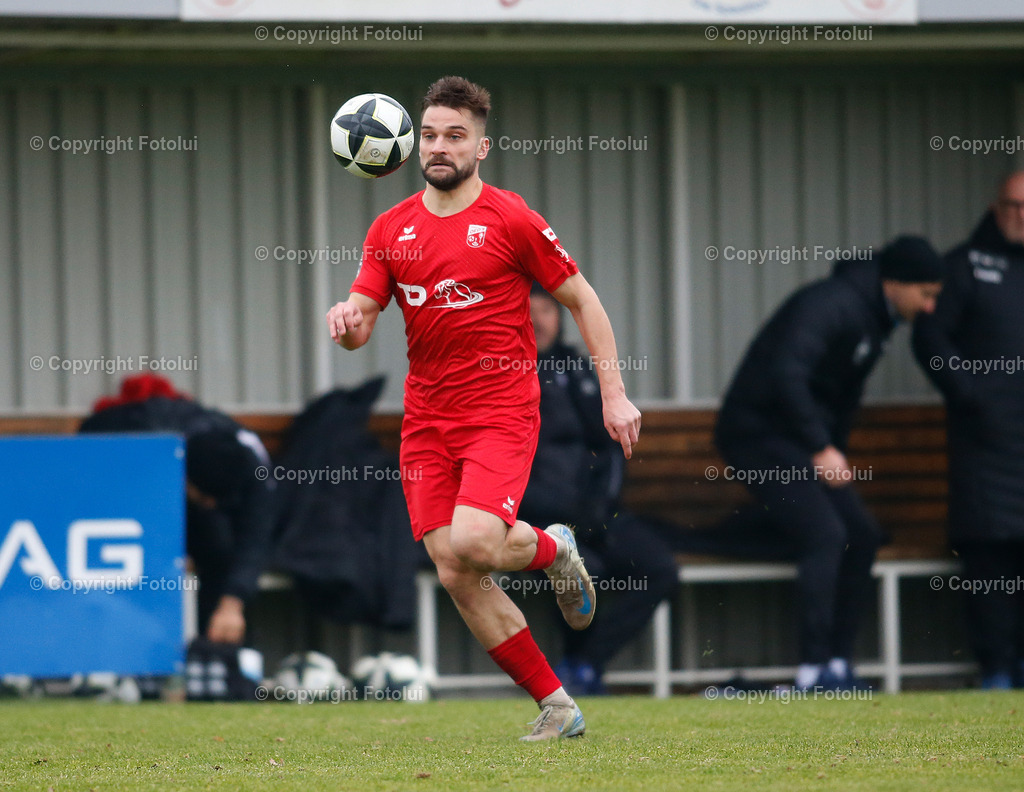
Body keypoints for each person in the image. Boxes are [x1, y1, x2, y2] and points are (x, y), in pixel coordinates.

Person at [325, 76, 641, 740]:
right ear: (414, 143)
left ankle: (553, 548)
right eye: (430, 135)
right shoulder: (390, 229)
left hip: (501, 409)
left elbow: (584, 301)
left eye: (455, 136)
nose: (440, 147)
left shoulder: (510, 219)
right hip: (425, 420)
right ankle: (558, 706)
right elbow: (362, 324)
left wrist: (614, 395)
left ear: (482, 147)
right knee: (455, 568)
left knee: (474, 542)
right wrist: (348, 320)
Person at [713, 237, 943, 691]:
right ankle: (812, 670)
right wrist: (821, 447)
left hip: (800, 441)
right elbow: (788, 373)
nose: (930, 306)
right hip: (756, 435)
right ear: (895, 283)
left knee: (862, 535)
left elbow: (842, 398)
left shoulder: (877, 319)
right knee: (826, 534)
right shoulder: (831, 304)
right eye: (926, 294)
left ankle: (837, 665)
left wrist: (830, 447)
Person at [519, 284, 678, 696]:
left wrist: (598, 507)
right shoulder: (501, 374)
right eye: (527, 310)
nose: (537, 320)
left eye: (546, 310)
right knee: (581, 570)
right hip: (535, 522)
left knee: (659, 568)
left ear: (560, 317)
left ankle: (585, 665)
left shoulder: (576, 369)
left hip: (594, 515)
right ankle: (573, 669)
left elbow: (608, 447)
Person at [912, 172, 1024, 690]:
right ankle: (996, 670)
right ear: (995, 207)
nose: (1021, 215)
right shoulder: (963, 267)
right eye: (1013, 205)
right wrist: (971, 393)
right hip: (987, 446)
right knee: (991, 556)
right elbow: (929, 338)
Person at [80, 373, 275, 645]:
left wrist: (232, 603)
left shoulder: (253, 469)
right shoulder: (143, 436)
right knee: (143, 559)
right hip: (135, 501)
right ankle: (142, 649)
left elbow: (256, 537)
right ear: (185, 479)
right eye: (205, 499)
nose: (211, 505)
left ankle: (219, 651)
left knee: (220, 548)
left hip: (187, 503)